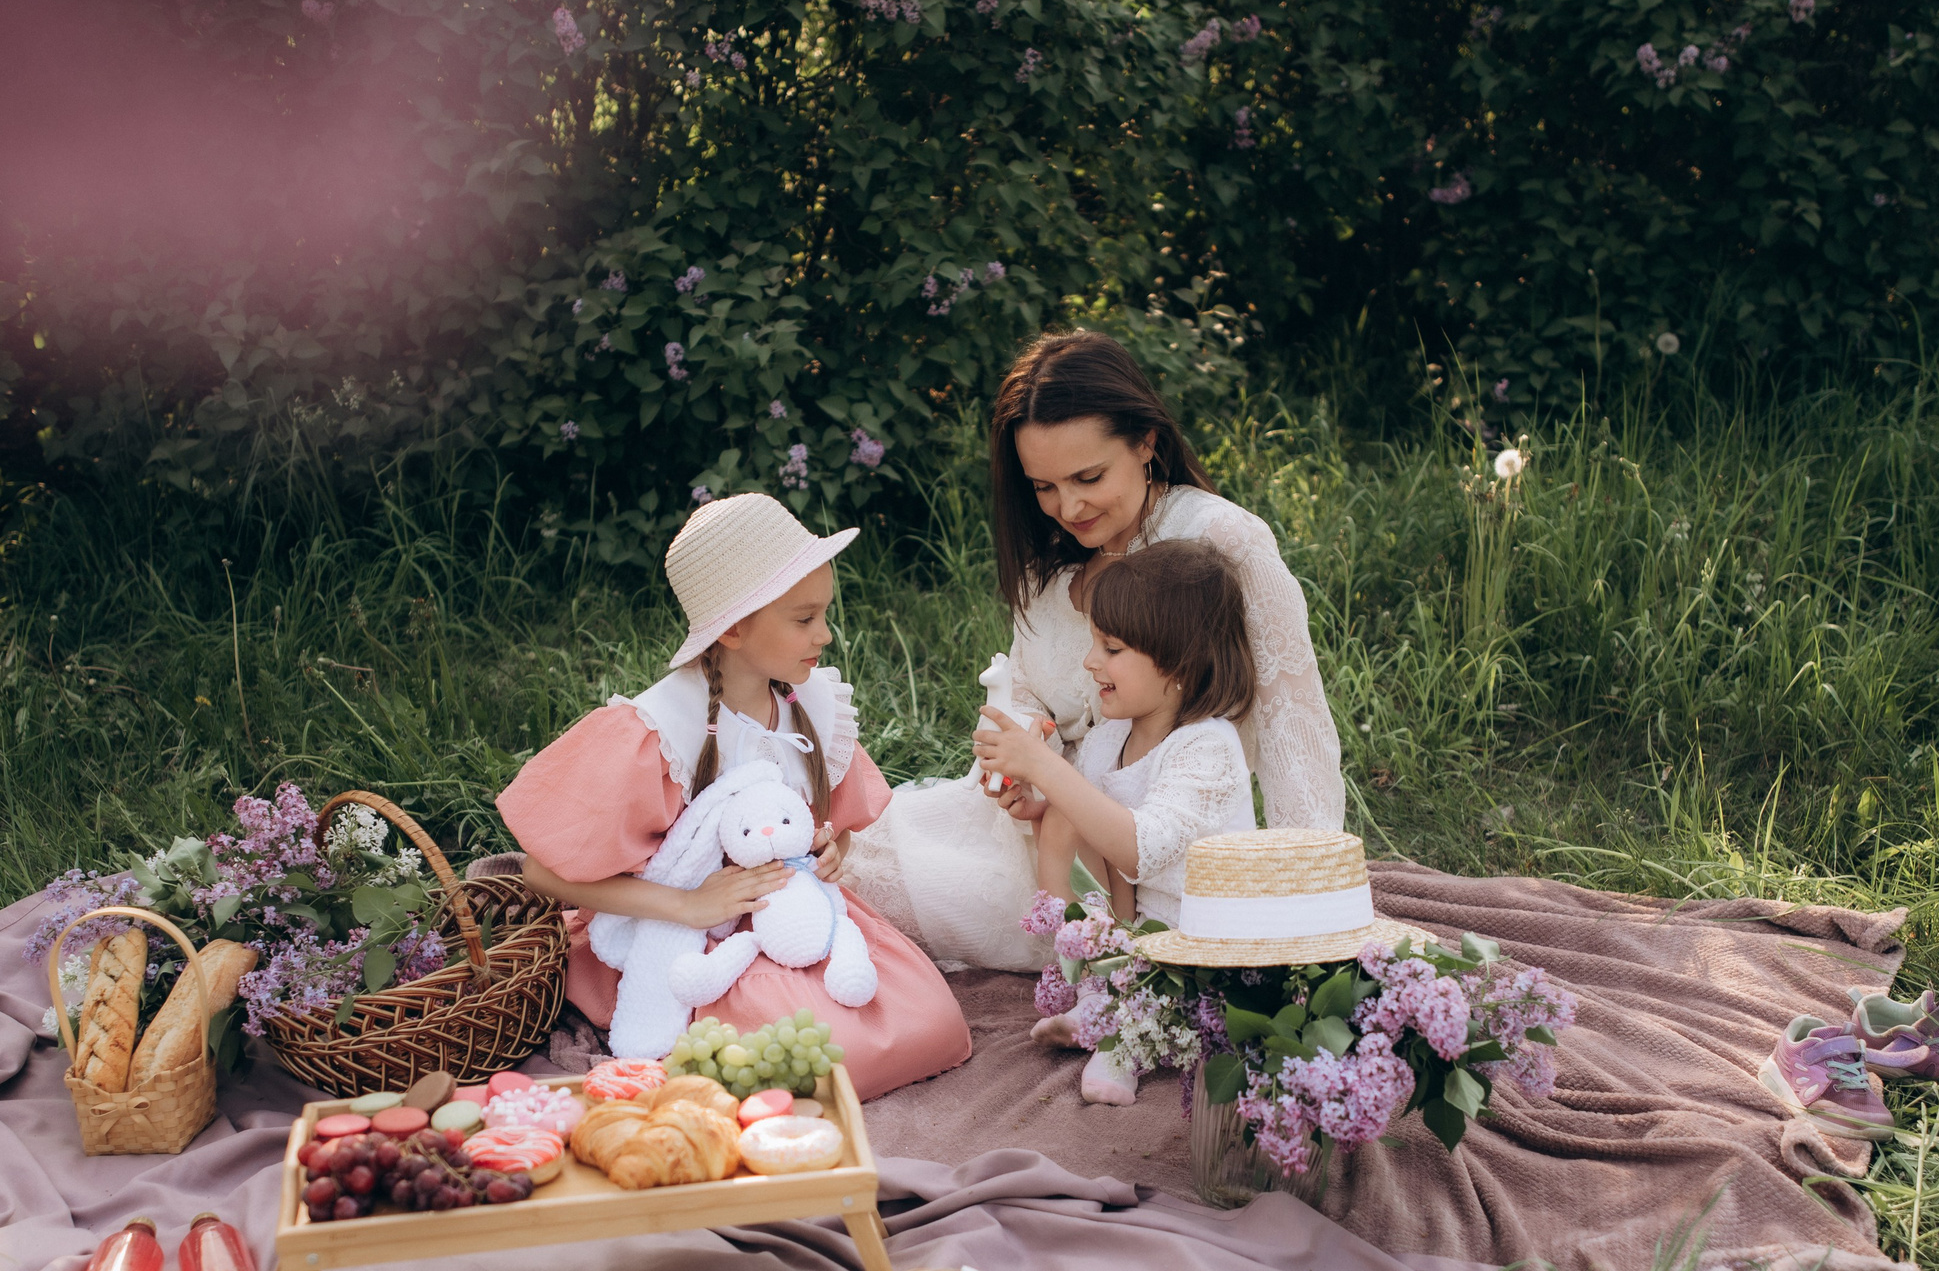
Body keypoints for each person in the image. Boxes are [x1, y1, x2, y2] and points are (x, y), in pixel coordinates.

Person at [839, 329, 1343, 971]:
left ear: (1146, 443)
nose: (1067, 507)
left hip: (1142, 859)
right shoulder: (1047, 568)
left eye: (1088, 477)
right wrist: (1021, 759)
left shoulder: (1219, 542)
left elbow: (1292, 728)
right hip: (1044, 821)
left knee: (873, 897)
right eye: (1043, 487)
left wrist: (1317, 900)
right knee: (849, 849)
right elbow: (1026, 692)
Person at [497, 493, 970, 1100]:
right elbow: (542, 871)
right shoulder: (662, 731)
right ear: (735, 627)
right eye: (804, 619)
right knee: (832, 1055)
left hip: (795, 913)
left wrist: (832, 848)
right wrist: (690, 905)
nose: (825, 634)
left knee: (927, 1019)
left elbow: (838, 822)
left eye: (824, 613)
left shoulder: (811, 706)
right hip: (701, 935)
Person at [973, 541, 1258, 1103]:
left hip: (1205, 948)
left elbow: (1137, 850)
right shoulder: (1111, 737)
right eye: (1094, 643)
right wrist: (1043, 800)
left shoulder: (1207, 747)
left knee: (1069, 804)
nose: (1090, 661)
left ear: (1176, 662)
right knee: (1058, 820)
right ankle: (1098, 994)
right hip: (1138, 934)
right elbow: (1095, 827)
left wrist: (1046, 770)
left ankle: (1123, 1039)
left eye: (1112, 648)